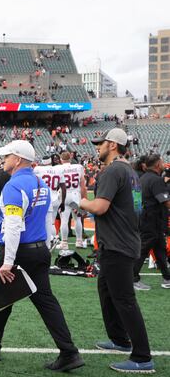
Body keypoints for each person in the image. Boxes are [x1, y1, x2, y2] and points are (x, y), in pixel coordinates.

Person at [0, 140, 84, 372]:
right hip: (39, 249)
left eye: (8, 155)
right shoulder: (39, 182)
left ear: (18, 159)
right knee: (44, 301)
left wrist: (8, 261)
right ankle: (69, 351)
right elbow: (47, 215)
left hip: (19, 251)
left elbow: (12, 226)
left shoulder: (13, 186)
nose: (4, 160)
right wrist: (48, 241)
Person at [80, 128, 155, 373]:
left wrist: (79, 201)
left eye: (101, 144)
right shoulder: (130, 171)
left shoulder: (113, 170)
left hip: (118, 244)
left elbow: (100, 207)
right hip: (124, 240)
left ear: (112, 145)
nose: (97, 148)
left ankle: (143, 357)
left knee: (124, 299)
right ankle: (120, 339)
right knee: (106, 289)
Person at [133, 154, 170, 290]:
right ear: (157, 165)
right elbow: (166, 202)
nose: (163, 164)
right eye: (161, 162)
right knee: (143, 249)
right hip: (152, 220)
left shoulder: (142, 178)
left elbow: (136, 202)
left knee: (160, 250)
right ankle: (133, 278)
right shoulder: (156, 180)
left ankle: (167, 278)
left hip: (145, 218)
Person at [57, 151, 87, 248]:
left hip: (64, 196)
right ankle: (79, 241)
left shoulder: (58, 168)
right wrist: (84, 199)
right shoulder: (78, 167)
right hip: (75, 195)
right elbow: (83, 186)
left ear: (61, 160)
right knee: (77, 219)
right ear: (70, 159)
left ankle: (64, 243)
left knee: (64, 220)